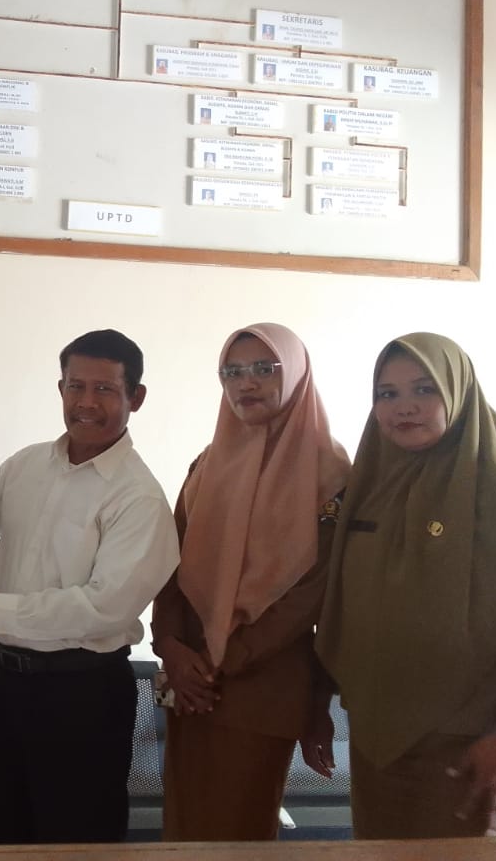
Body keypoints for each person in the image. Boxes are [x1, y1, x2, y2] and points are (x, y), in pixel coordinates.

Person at [316, 332, 496, 838]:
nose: (404, 406)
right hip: (382, 748)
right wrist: (317, 700)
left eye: (424, 389)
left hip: (487, 749)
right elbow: (339, 602)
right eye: (387, 393)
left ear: (459, 392)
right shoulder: (368, 487)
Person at [0, 329, 179, 844]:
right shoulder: (29, 462)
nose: (86, 402)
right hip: (1, 678)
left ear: (136, 397)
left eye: (104, 389)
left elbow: (104, 609)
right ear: (60, 389)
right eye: (75, 386)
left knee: (77, 835)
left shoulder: (139, 498)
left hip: (80, 693)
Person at [152, 323, 351, 841]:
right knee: (183, 831)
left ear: (297, 374)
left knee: (239, 835)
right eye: (233, 371)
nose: (247, 382)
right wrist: (170, 645)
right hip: (187, 682)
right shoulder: (208, 463)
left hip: (260, 687)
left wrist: (217, 664)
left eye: (265, 368)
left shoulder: (330, 475)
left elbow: (311, 594)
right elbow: (169, 562)